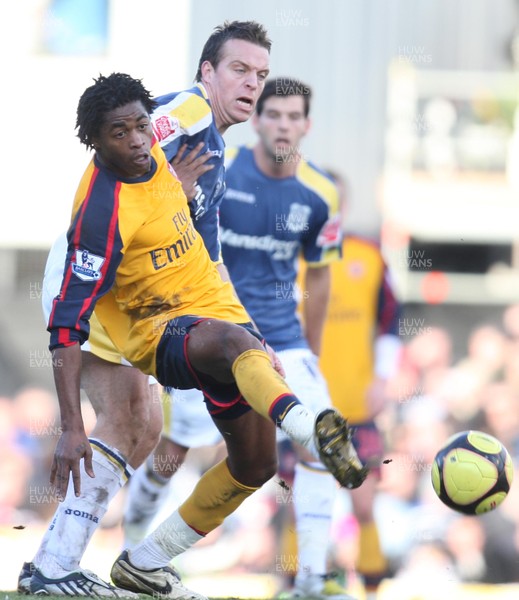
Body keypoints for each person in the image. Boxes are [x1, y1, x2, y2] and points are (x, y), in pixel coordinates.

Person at [41, 68, 367, 600]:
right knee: (153, 425)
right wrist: (70, 425)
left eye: (141, 126)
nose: (136, 141)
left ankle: (145, 560)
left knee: (255, 463)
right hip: (156, 331)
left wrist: (187, 196)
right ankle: (310, 429)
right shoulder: (104, 210)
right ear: (94, 142)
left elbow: (200, 254)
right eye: (118, 133)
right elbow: (66, 319)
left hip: (208, 316)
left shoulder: (168, 158)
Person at [18, 20, 273, 598]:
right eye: (238, 69)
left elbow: (206, 258)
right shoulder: (189, 110)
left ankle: (55, 564)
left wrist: (250, 333)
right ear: (206, 73)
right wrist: (160, 173)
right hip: (102, 283)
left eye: (260, 74)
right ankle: (58, 567)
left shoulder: (216, 153)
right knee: (135, 419)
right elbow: (127, 137)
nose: (251, 83)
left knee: (144, 424)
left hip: (138, 296)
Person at [317, 171, 402, 599]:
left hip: (357, 403)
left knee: (364, 503)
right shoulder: (288, 257)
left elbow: (392, 318)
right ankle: (298, 584)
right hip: (304, 403)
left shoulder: (368, 256)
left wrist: (383, 378)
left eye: (336, 199)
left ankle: (371, 589)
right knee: (300, 502)